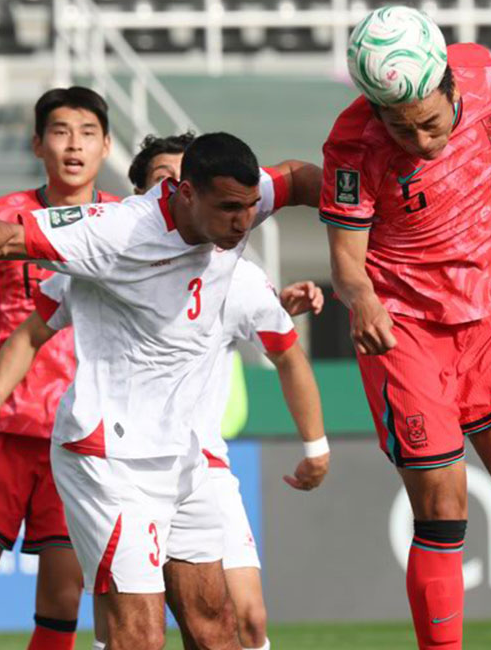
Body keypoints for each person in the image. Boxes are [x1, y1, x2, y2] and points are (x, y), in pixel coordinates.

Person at [0, 132, 321, 650]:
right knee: (138, 635)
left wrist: (369, 203)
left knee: (215, 626)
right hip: (109, 458)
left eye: (250, 208)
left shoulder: (240, 210)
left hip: (184, 456)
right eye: (230, 208)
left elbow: (299, 176)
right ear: (186, 193)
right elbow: (12, 237)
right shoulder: (117, 232)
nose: (243, 221)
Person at [322, 6, 491, 650]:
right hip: (405, 331)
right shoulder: (353, 144)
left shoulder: (490, 80)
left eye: (429, 123)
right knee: (444, 507)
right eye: (401, 128)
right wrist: (360, 301)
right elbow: (346, 265)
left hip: (490, 319)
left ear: (452, 86)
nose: (419, 141)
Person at [0, 86, 119, 650]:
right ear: (38, 144)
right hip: (4, 430)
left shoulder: (123, 222)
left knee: (62, 602)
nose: (73, 145)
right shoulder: (3, 217)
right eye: (60, 132)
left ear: (106, 145)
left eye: (86, 133)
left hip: (82, 434)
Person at [128, 132, 329, 650]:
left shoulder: (233, 272)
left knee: (243, 620)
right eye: (162, 181)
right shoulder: (122, 259)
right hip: (125, 463)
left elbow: (275, 340)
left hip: (203, 462)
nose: (174, 188)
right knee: (134, 631)